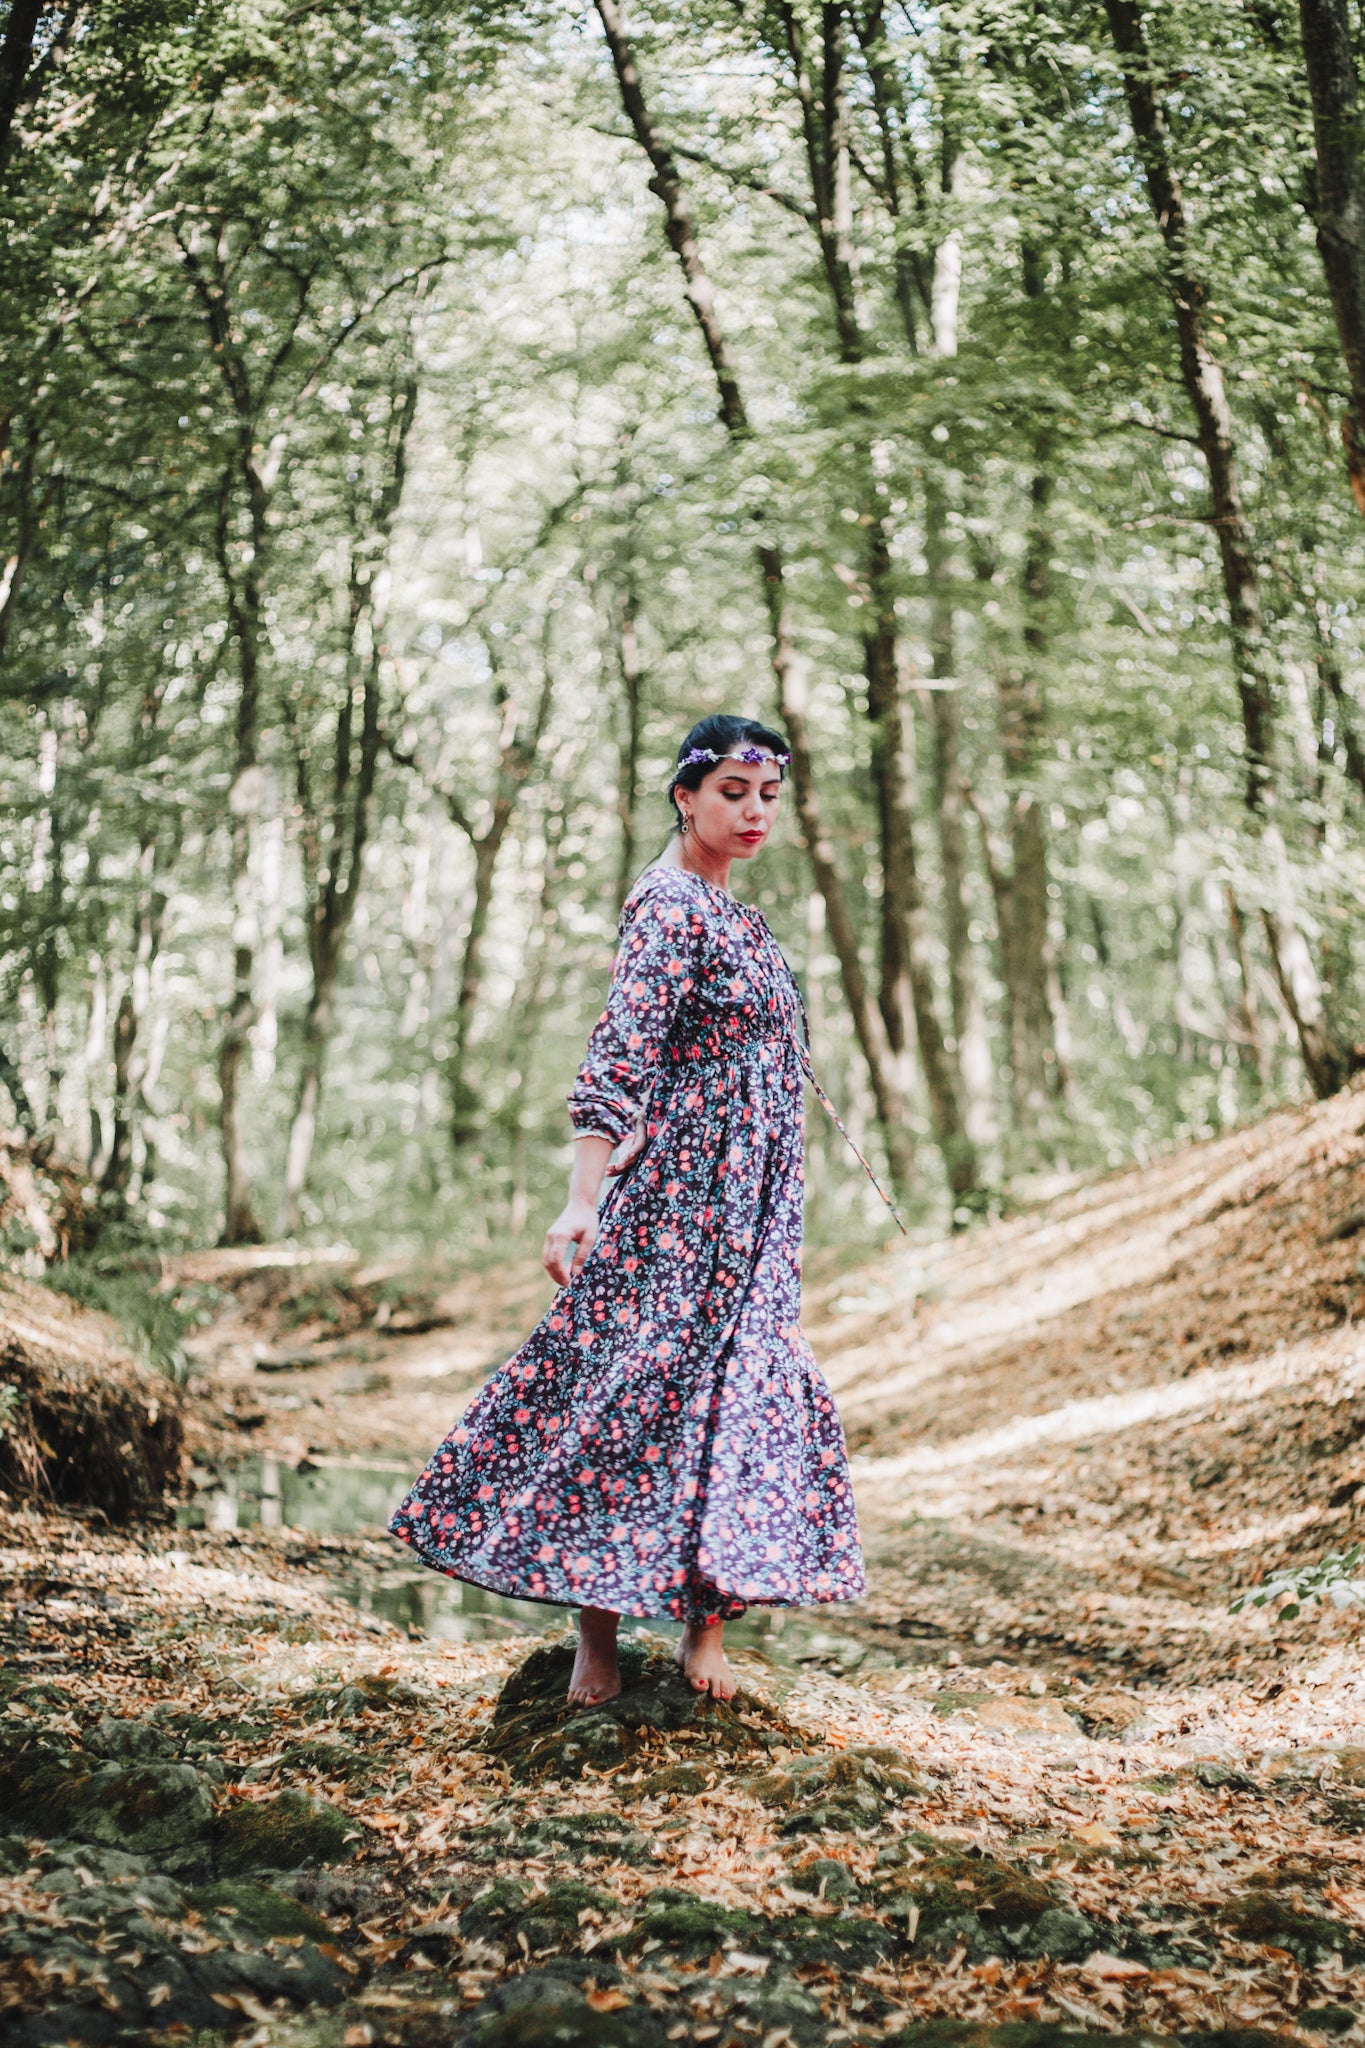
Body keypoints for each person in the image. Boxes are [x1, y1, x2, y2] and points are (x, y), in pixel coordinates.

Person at [389, 713, 866, 1705]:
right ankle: (593, 1638)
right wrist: (580, 1201)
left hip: (758, 1216)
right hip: (678, 1206)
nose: (753, 811)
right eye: (733, 790)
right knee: (629, 1395)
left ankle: (705, 1628)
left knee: (732, 1400)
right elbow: (619, 1059)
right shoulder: (667, 903)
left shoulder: (741, 915)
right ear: (686, 794)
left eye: (768, 795)